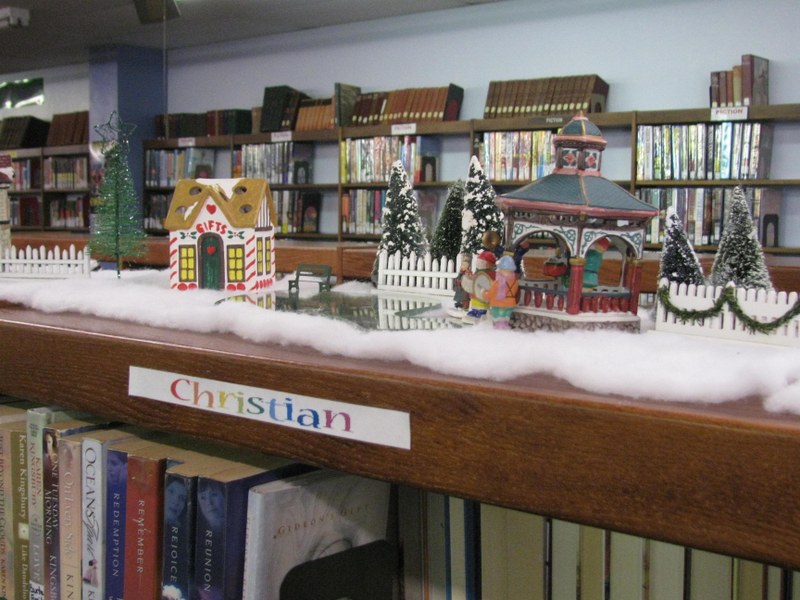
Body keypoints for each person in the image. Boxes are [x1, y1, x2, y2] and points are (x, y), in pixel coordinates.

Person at [482, 255, 519, 329]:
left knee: (498, 320)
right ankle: (505, 327)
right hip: (510, 305)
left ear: (501, 269)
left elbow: (490, 295)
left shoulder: (497, 283)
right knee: (505, 319)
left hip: (498, 304)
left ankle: (499, 330)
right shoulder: (515, 282)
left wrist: (483, 292)